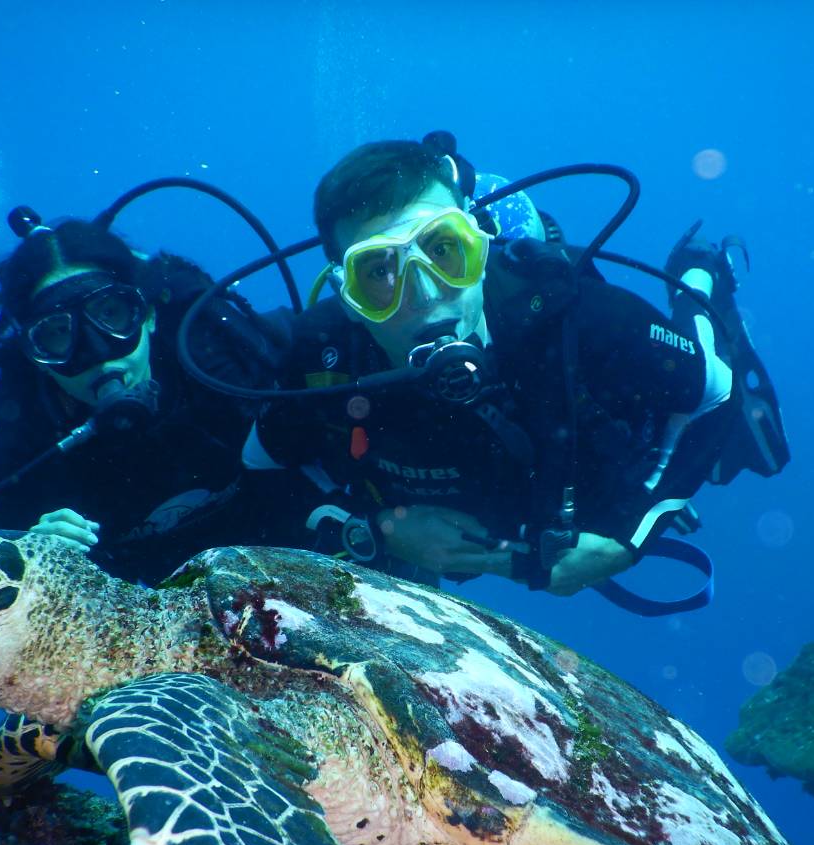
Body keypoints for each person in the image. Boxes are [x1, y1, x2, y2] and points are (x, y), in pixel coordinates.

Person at [244, 139, 745, 597]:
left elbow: (717, 395)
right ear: (347, 297)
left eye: (443, 250)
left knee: (724, 395)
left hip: (592, 481)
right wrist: (373, 531)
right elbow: (261, 472)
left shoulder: (572, 316)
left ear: (479, 243)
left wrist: (627, 537)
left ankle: (697, 280)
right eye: (379, 271)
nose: (423, 295)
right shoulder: (323, 359)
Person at [0, 216, 300, 585]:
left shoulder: (222, 361)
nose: (97, 354)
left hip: (292, 555)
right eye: (59, 334)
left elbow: (334, 345)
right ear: (37, 359)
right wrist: (33, 560)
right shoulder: (30, 441)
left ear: (148, 315)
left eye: (111, 313)